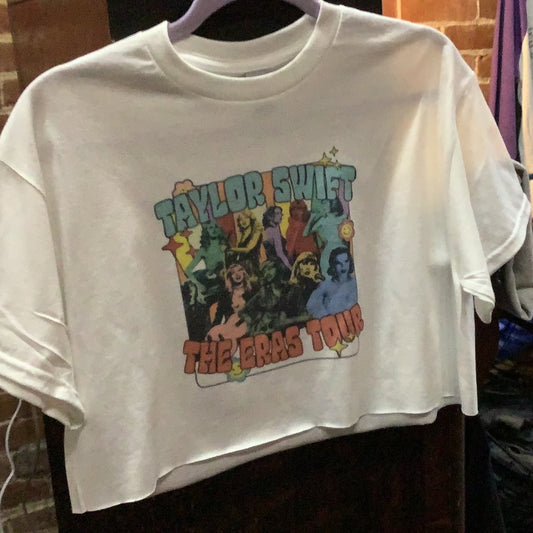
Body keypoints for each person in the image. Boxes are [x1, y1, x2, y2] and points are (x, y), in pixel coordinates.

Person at [306, 247, 358, 319]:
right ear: (333, 265)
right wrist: (327, 318)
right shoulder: (325, 285)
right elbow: (311, 305)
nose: (343, 266)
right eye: (338, 263)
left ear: (350, 262)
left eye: (346, 261)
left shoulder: (355, 283)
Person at [262, 205, 292, 273]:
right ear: (270, 216)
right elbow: (279, 253)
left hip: (273, 263)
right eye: (277, 213)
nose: (280, 216)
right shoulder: (272, 231)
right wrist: (290, 267)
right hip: (279, 265)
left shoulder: (270, 229)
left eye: (281, 213)